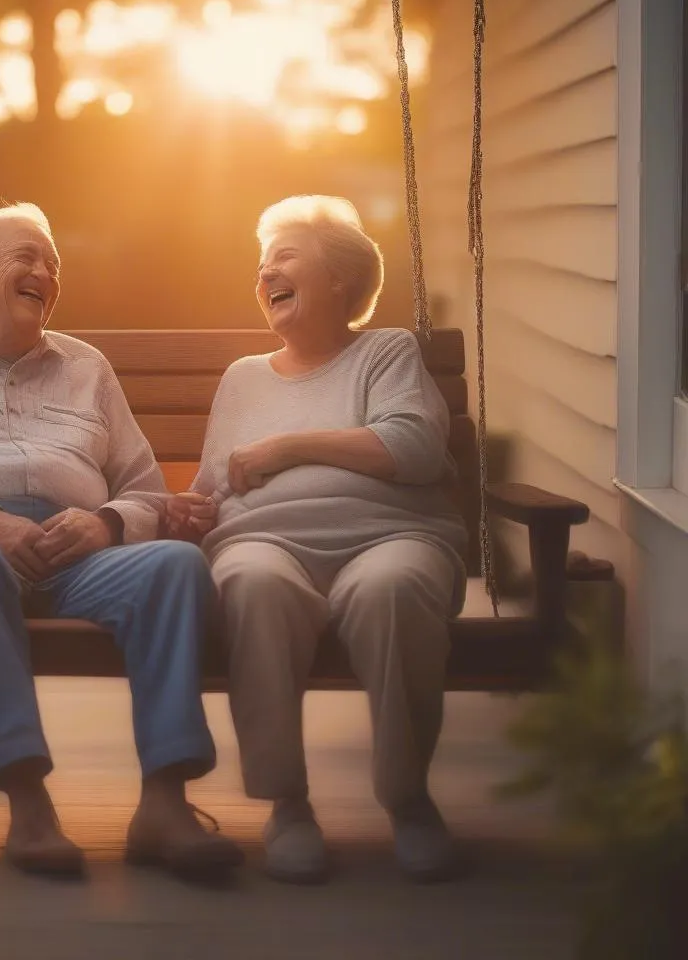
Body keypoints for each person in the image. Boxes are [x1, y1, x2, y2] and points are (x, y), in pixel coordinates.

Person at [0, 203, 242, 880]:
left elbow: (146, 490)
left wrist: (105, 523)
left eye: (53, 264)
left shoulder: (87, 367)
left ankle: (164, 807)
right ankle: (29, 806)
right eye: (25, 256)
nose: (44, 272)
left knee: (174, 565)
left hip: (71, 557)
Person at [166, 195, 468, 884]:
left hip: (390, 535)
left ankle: (409, 801)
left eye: (285, 256)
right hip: (264, 542)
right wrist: (188, 513)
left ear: (338, 277)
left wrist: (287, 447)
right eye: (262, 264)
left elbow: (416, 447)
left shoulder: (385, 353)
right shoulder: (243, 377)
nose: (266, 272)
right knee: (250, 581)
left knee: (394, 588)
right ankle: (289, 805)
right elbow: (214, 485)